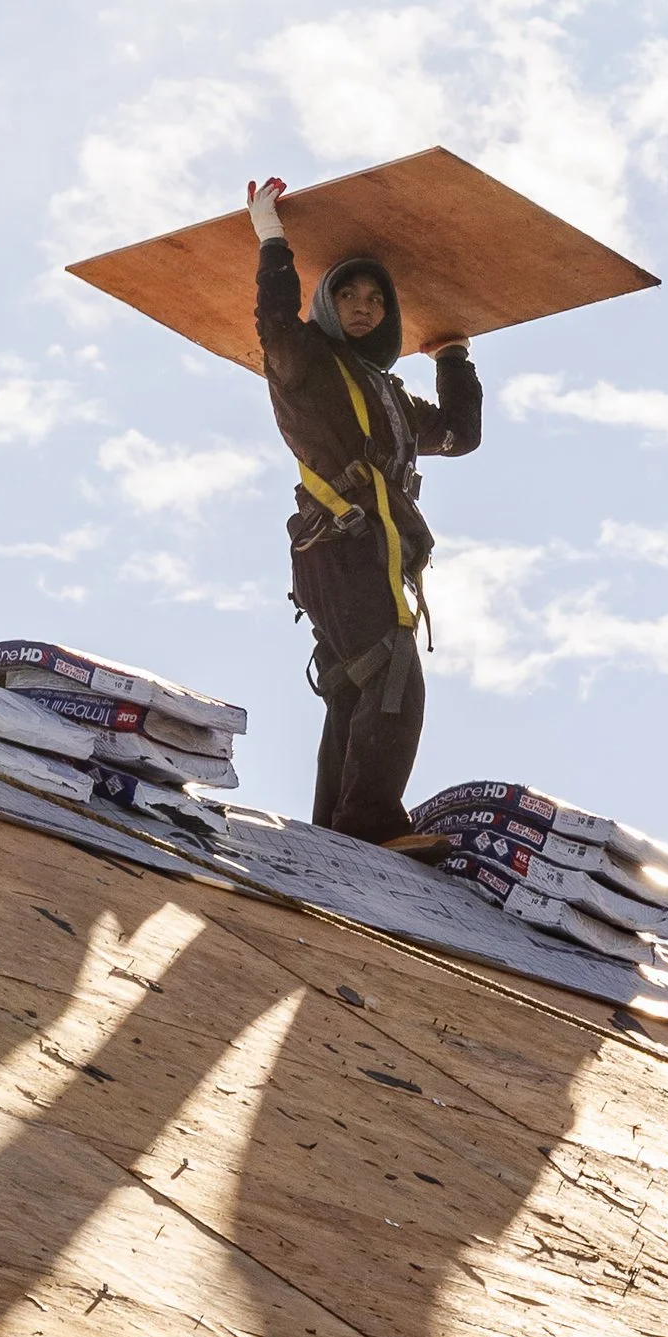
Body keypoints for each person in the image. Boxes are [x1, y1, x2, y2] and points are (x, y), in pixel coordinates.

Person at [247, 175, 481, 841]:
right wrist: (272, 241)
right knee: (391, 672)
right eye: (347, 294)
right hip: (341, 546)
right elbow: (274, 324)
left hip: (363, 552)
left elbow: (461, 436)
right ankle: (370, 822)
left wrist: (454, 354)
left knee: (356, 685)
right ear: (327, 304)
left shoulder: (392, 398)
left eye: (376, 298)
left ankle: (333, 834)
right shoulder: (306, 366)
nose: (363, 305)